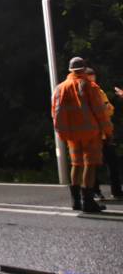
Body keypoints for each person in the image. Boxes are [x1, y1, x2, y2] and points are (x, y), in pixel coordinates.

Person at [52, 57, 113, 213]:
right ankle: (88, 201)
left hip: (71, 135)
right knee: (90, 165)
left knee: (76, 164)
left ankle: (76, 201)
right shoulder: (89, 86)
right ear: (84, 69)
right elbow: (99, 112)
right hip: (90, 132)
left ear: (70, 70)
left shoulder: (60, 88)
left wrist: (61, 132)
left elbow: (56, 112)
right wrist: (107, 130)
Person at [86, 68, 121, 200]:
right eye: (89, 77)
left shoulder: (99, 91)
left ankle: (116, 191)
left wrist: (104, 111)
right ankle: (95, 191)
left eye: (93, 77)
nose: (92, 80)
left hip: (105, 133)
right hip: (92, 134)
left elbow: (110, 109)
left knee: (113, 162)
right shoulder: (82, 93)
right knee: (93, 164)